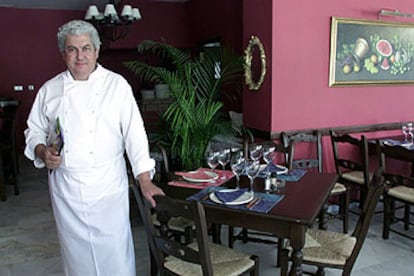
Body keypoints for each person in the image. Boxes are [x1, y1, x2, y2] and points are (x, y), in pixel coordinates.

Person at [24, 20, 164, 276]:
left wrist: (144, 179)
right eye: (72, 49)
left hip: (108, 185)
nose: (80, 56)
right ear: (63, 53)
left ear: (97, 51)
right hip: (66, 188)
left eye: (86, 48)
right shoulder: (49, 89)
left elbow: (134, 134)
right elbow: (33, 131)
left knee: (115, 254)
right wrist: (42, 151)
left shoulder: (117, 85)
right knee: (76, 257)